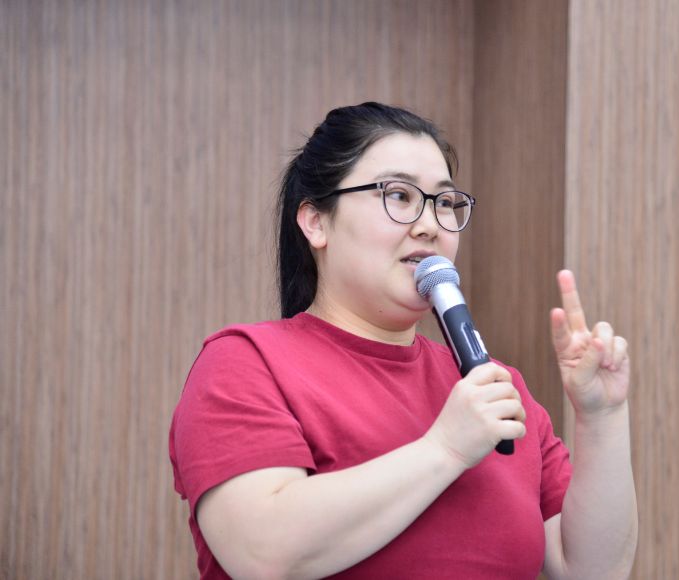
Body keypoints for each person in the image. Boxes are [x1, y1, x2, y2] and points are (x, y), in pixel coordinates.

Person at [169, 102, 638, 579]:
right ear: (316, 222)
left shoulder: (496, 390)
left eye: (444, 202)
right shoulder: (245, 363)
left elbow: (593, 573)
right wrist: (445, 449)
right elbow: (264, 555)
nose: (430, 225)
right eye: (398, 195)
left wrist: (602, 417)